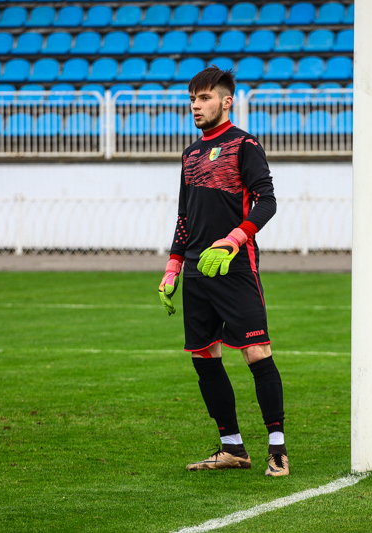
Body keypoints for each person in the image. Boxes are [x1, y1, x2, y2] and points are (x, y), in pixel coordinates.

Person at [158, 66, 288, 477]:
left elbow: (266, 201)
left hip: (235, 266)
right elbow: (184, 216)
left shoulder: (244, 145)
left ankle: (278, 450)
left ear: (226, 101)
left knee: (256, 352)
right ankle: (232, 448)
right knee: (204, 356)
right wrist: (173, 265)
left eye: (205, 98)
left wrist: (234, 239)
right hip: (197, 271)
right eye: (192, 99)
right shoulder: (190, 154)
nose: (196, 106)